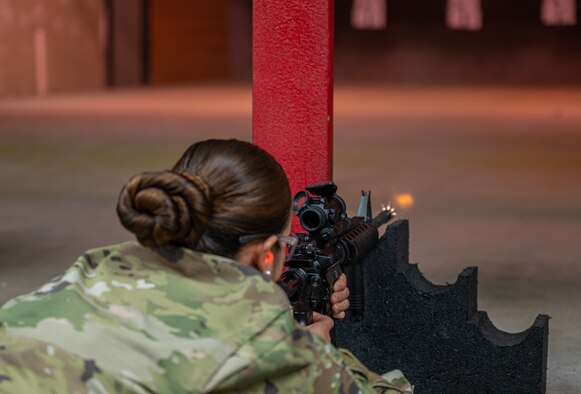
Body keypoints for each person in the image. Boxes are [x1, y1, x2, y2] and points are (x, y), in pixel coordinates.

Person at [0, 139, 412, 393]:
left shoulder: (81, 277)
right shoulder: (268, 349)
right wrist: (317, 351)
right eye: (288, 245)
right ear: (267, 256)